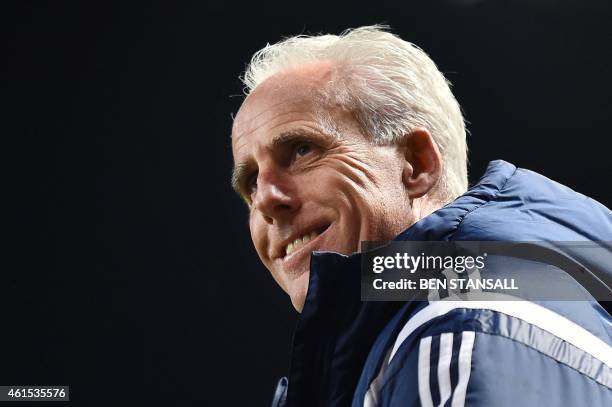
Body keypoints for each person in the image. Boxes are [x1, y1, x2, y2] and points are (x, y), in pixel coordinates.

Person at [230, 26, 612, 407]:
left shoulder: (463, 328)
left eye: (301, 149)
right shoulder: (488, 310)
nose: (265, 199)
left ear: (416, 163)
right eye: (250, 183)